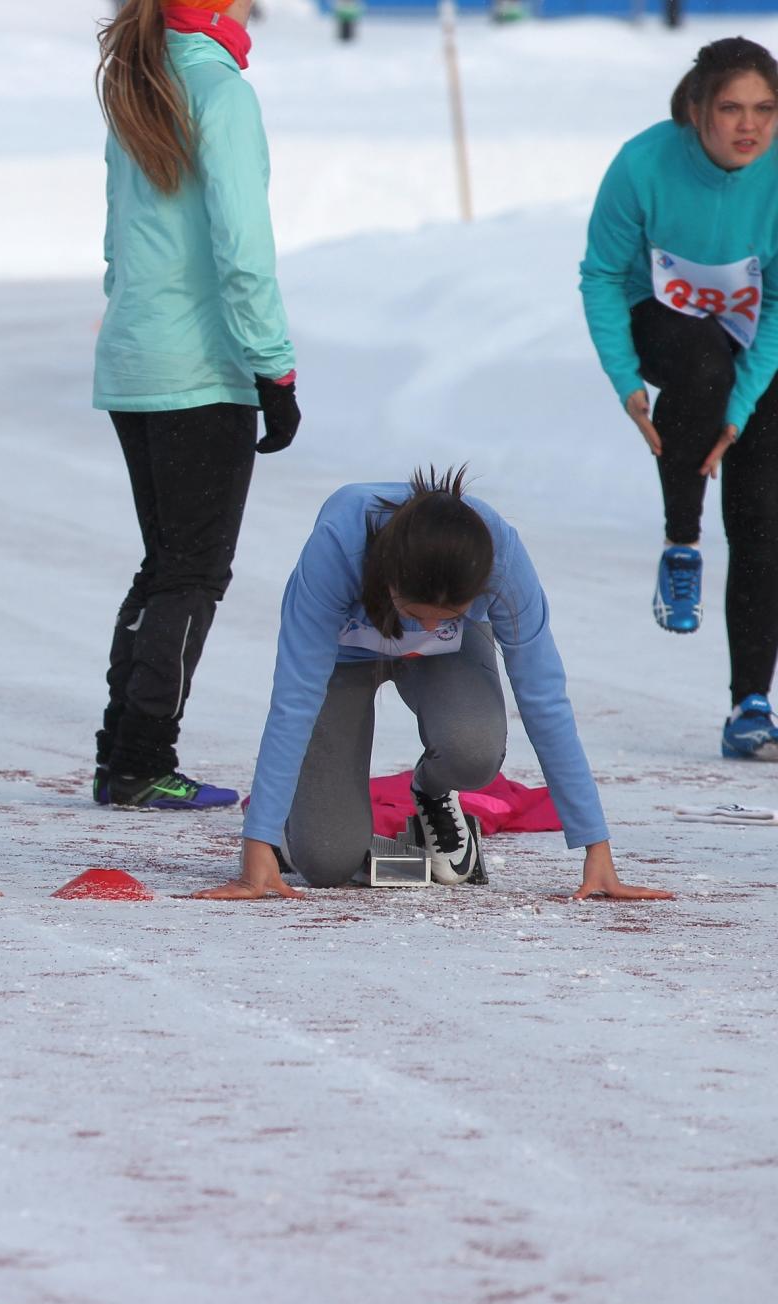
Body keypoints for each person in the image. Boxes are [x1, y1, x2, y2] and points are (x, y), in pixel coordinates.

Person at [195, 471, 672, 904]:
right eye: (414, 613)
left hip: (449, 656)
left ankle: (432, 792)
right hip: (345, 657)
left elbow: (544, 698)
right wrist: (256, 842)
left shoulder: (503, 557)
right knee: (326, 862)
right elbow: (294, 700)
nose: (424, 628)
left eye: (446, 615)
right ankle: (288, 825)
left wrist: (596, 848)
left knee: (473, 749)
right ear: (387, 578)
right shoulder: (337, 547)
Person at [92, 0, 299, 811]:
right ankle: (143, 759)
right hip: (200, 369)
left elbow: (117, 241)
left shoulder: (139, 76)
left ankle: (121, 753)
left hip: (136, 358)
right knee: (192, 571)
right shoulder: (221, 92)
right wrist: (273, 368)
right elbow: (242, 247)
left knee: (165, 563)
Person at [579, 36, 778, 761]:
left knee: (763, 517)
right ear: (697, 111)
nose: (748, 125)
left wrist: (742, 409)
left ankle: (750, 705)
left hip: (754, 337)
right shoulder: (643, 164)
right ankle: (682, 543)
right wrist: (627, 383)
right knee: (699, 360)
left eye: (765, 109)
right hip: (658, 320)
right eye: (731, 108)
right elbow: (602, 275)